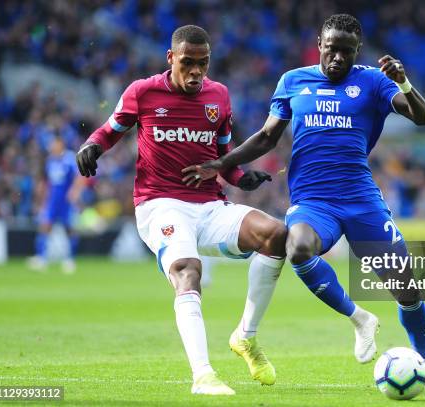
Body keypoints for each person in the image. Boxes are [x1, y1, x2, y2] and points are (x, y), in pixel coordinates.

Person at [184, 14, 425, 387]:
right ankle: (360, 319)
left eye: (346, 51)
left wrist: (402, 81)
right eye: (331, 49)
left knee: (405, 287)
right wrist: (223, 163)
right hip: (313, 201)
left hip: (362, 200)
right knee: (299, 247)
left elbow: (421, 116)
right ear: (319, 45)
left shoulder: (373, 81)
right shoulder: (294, 81)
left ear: (357, 52)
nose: (337, 58)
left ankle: (424, 360)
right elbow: (266, 138)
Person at [76, 25, 287, 396]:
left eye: (202, 64)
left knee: (277, 236)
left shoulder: (218, 96)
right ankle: (203, 376)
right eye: (187, 63)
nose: (195, 72)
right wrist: (92, 145)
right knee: (189, 272)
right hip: (160, 204)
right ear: (171, 58)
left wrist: (241, 177)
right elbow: (109, 130)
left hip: (209, 205)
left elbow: (224, 156)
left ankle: (246, 337)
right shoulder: (143, 92)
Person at [29, 136, 81, 274]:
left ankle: (70, 260)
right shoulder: (50, 161)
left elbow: (79, 177)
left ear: (61, 144)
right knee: (45, 226)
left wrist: (74, 191)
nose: (52, 148)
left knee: (69, 228)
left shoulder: (69, 159)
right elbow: (47, 181)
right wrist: (43, 197)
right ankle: (41, 258)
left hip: (66, 201)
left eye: (54, 145)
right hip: (52, 200)